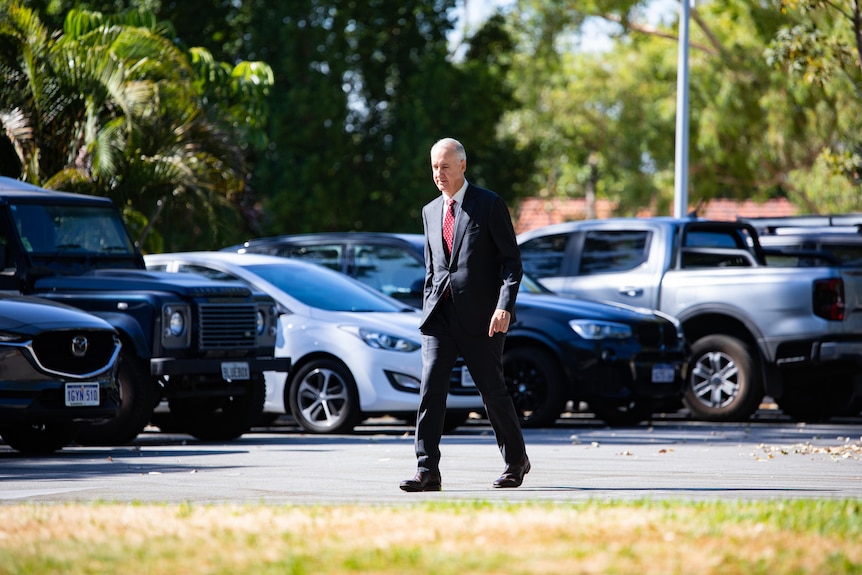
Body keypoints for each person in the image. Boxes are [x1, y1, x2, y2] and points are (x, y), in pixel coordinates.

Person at [400, 138, 529, 492]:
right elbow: (433, 267)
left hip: (483, 318)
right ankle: (427, 471)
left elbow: (511, 262)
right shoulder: (429, 211)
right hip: (439, 317)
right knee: (431, 390)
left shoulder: (488, 204)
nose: (438, 174)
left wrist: (504, 305)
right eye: (434, 167)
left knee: (492, 391)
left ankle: (516, 461)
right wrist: (427, 305)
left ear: (462, 166)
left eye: (444, 166)